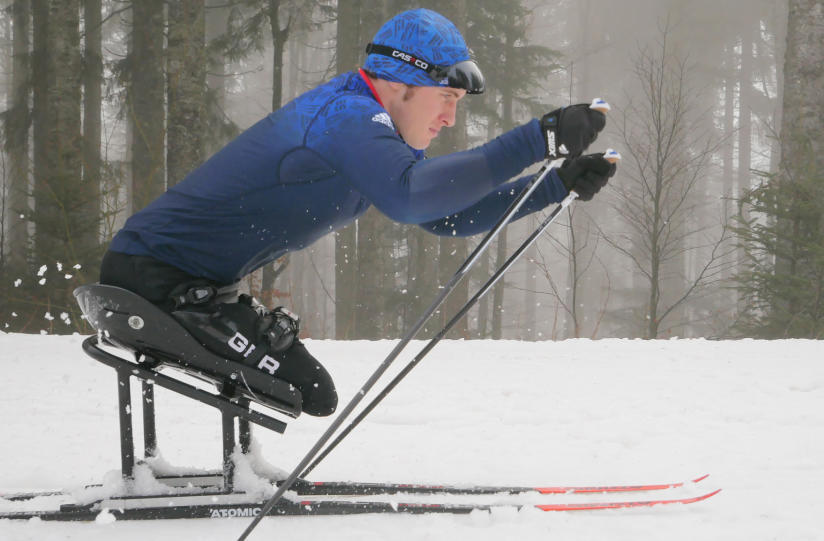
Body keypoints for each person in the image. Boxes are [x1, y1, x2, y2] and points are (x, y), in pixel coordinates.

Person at [98, 9, 617, 417]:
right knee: (310, 392)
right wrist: (536, 139)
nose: (450, 117)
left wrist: (554, 186)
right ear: (399, 83)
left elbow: (443, 217)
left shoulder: (369, 128)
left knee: (312, 393)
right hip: (156, 281)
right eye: (447, 97)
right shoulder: (346, 117)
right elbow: (412, 198)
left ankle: (241, 472)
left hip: (194, 285)